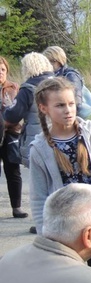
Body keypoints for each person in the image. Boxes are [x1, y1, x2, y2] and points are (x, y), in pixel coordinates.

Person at [29, 77, 91, 280]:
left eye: (71, 104)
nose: (68, 110)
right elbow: (38, 199)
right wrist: (44, 238)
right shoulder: (39, 149)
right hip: (63, 234)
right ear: (44, 108)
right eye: (60, 105)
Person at [3, 52, 54, 168]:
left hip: (37, 139)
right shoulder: (60, 83)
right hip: (60, 137)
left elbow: (12, 116)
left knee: (40, 180)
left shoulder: (28, 89)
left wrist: (7, 110)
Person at [0, 55, 26, 218]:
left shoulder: (13, 88)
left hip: (10, 134)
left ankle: (16, 207)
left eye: (2, 69)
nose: (0, 72)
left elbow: (17, 112)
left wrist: (6, 124)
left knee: (13, 171)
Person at [42, 46, 84, 114]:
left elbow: (76, 103)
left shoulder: (71, 75)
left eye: (48, 62)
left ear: (57, 61)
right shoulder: (53, 76)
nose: (46, 65)